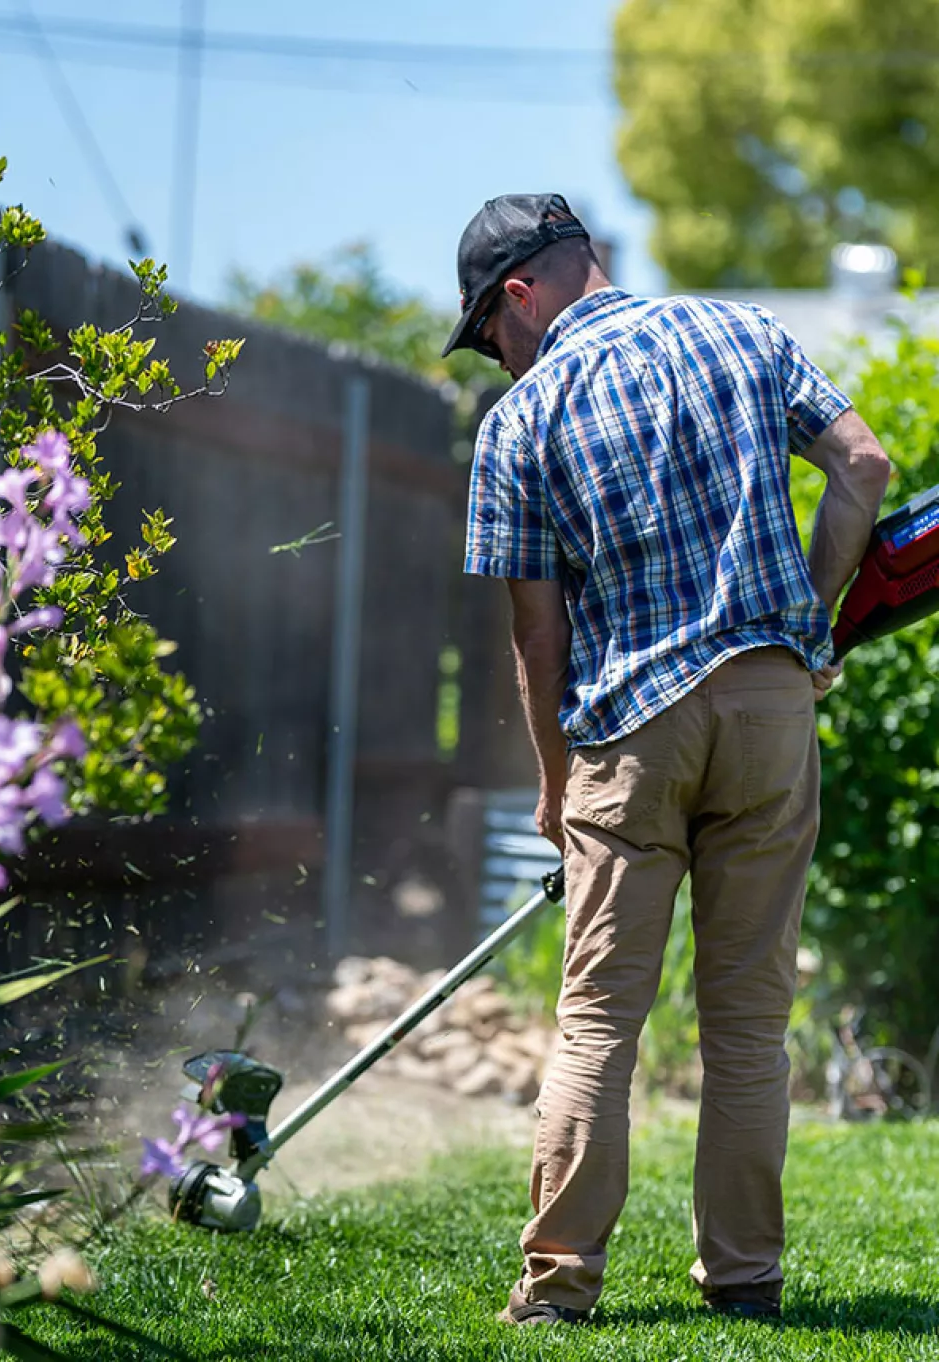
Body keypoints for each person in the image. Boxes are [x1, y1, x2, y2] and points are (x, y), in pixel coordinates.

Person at [444, 193, 891, 1326]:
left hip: (631, 735)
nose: (500, 362)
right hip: (770, 710)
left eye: (492, 339)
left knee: (600, 1020)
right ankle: (745, 1282)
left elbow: (537, 641)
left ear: (519, 297)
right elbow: (866, 467)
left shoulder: (521, 421)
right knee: (749, 1020)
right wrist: (812, 629)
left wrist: (555, 791)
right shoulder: (744, 329)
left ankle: (557, 1291)